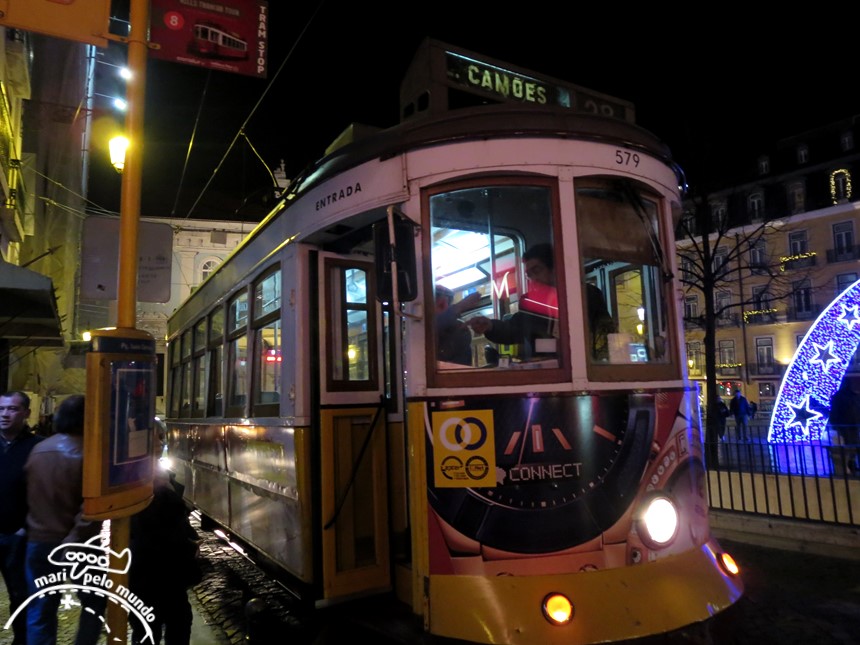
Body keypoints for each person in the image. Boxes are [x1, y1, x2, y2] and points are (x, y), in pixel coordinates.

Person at [24, 394, 105, 645]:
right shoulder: (90, 454)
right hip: (79, 544)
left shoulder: (39, 450)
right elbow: (90, 508)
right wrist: (76, 537)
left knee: (41, 606)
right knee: (94, 602)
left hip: (39, 540)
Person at [129, 467, 202, 645]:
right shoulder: (167, 500)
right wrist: (192, 548)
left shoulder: (134, 501)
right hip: (169, 582)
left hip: (141, 583)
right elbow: (181, 540)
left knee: (145, 631)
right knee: (178, 624)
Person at [0, 391, 43, 645]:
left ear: (26, 413)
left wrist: (24, 529)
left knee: (20, 595)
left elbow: (44, 494)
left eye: (12, 409)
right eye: (1, 409)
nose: (5, 414)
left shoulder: (37, 448)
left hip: (19, 535)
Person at [468, 243, 560, 360]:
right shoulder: (530, 305)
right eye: (529, 275)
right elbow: (514, 329)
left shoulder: (577, 296)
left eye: (537, 271)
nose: (533, 279)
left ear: (554, 269)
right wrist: (490, 326)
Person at [435, 286, 481, 366]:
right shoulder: (419, 330)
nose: (445, 307)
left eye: (448, 303)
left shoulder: (459, 329)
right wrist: (458, 307)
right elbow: (427, 329)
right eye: (441, 305)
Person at [829, 379, 860, 473]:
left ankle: (852, 463)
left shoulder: (852, 395)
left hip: (853, 425)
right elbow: (835, 412)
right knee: (850, 445)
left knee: (854, 445)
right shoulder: (841, 396)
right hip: (847, 425)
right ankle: (851, 464)